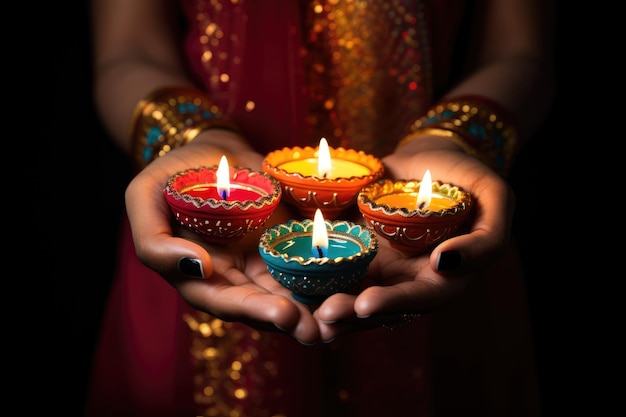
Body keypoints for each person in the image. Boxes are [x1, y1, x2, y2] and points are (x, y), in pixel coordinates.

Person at [85, 0, 555, 416]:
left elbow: (520, 52)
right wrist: (192, 137)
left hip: (435, 244)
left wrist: (455, 139)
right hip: (204, 246)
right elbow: (129, 52)